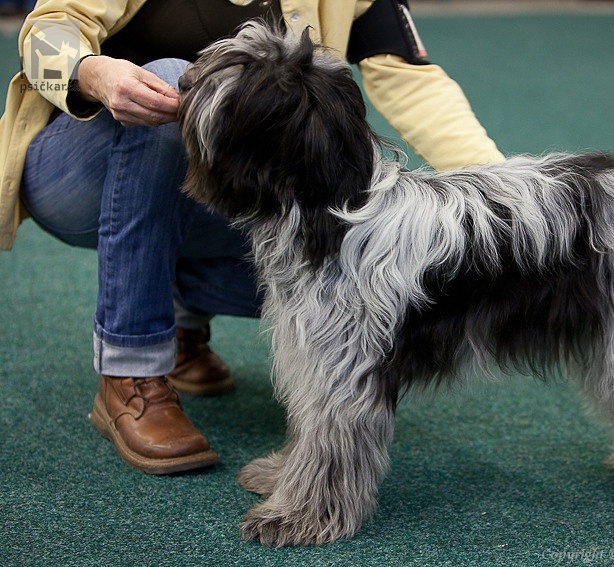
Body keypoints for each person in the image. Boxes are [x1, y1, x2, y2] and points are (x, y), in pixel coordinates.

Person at [0, 0, 504, 474]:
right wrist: (93, 73)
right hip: (84, 166)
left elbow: (409, 78)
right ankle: (131, 371)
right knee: (174, 80)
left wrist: (502, 203)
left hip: (232, 185)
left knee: (342, 286)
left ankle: (181, 315)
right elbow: (41, 36)